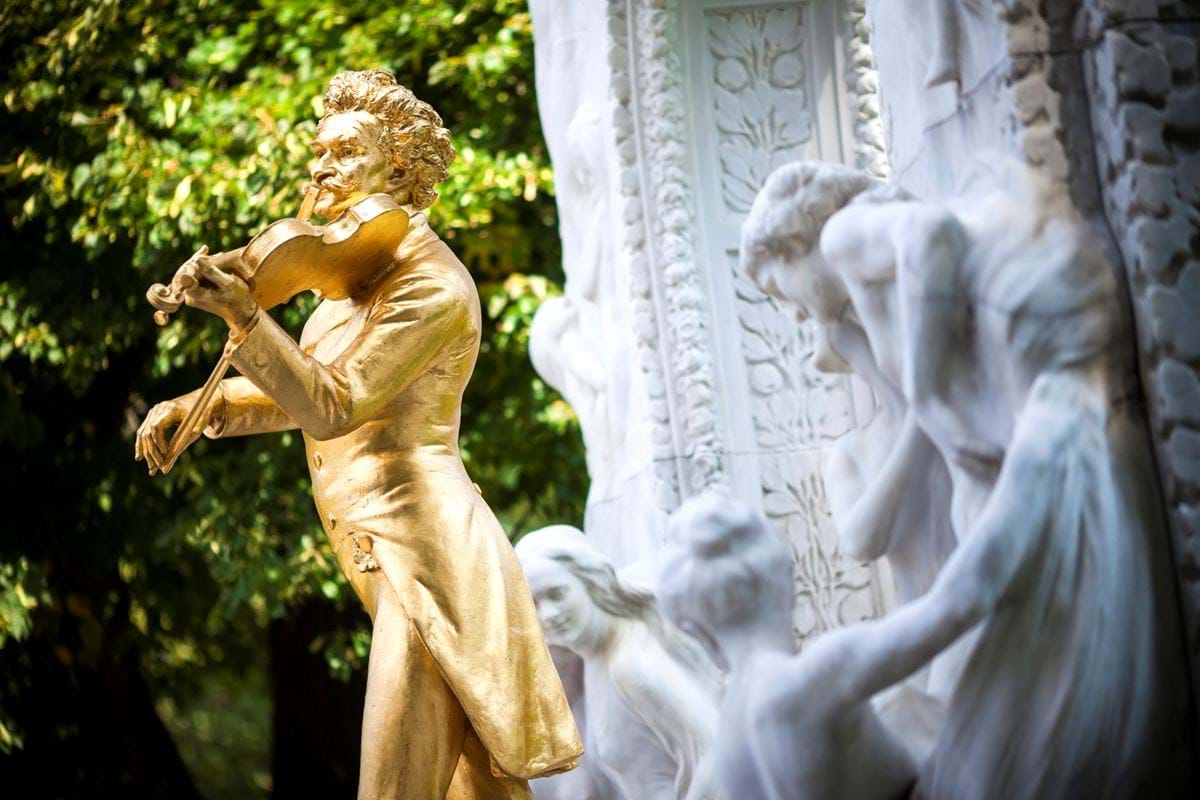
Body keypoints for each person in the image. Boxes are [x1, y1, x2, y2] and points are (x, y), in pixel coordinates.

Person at [135, 69, 581, 799]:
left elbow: (335, 402)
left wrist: (247, 319)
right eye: (318, 151)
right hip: (381, 561)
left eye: (343, 152)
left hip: (427, 565)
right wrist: (201, 405)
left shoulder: (429, 287)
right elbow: (295, 390)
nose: (320, 167)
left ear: (399, 170)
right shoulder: (347, 288)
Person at [516, 525, 724, 800]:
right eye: (534, 604)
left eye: (557, 594)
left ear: (590, 581)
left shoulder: (631, 665)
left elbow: (717, 754)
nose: (549, 614)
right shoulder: (593, 656)